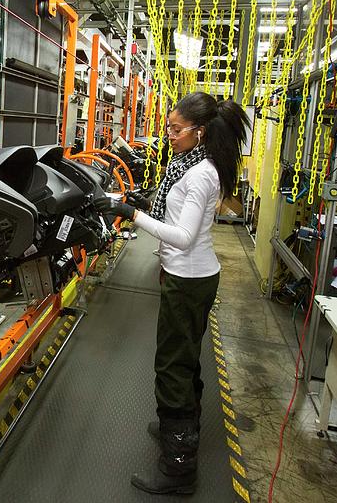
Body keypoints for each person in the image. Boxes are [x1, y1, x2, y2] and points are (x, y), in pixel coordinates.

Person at [95, 92, 249, 495]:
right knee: (183, 359)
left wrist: (132, 215)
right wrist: (140, 202)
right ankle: (178, 426)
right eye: (169, 127)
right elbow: (177, 216)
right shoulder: (189, 164)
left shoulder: (200, 174)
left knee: (171, 367)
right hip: (189, 276)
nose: (169, 135)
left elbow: (181, 237)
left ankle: (179, 467)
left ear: (199, 132)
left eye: (176, 129)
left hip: (189, 278)